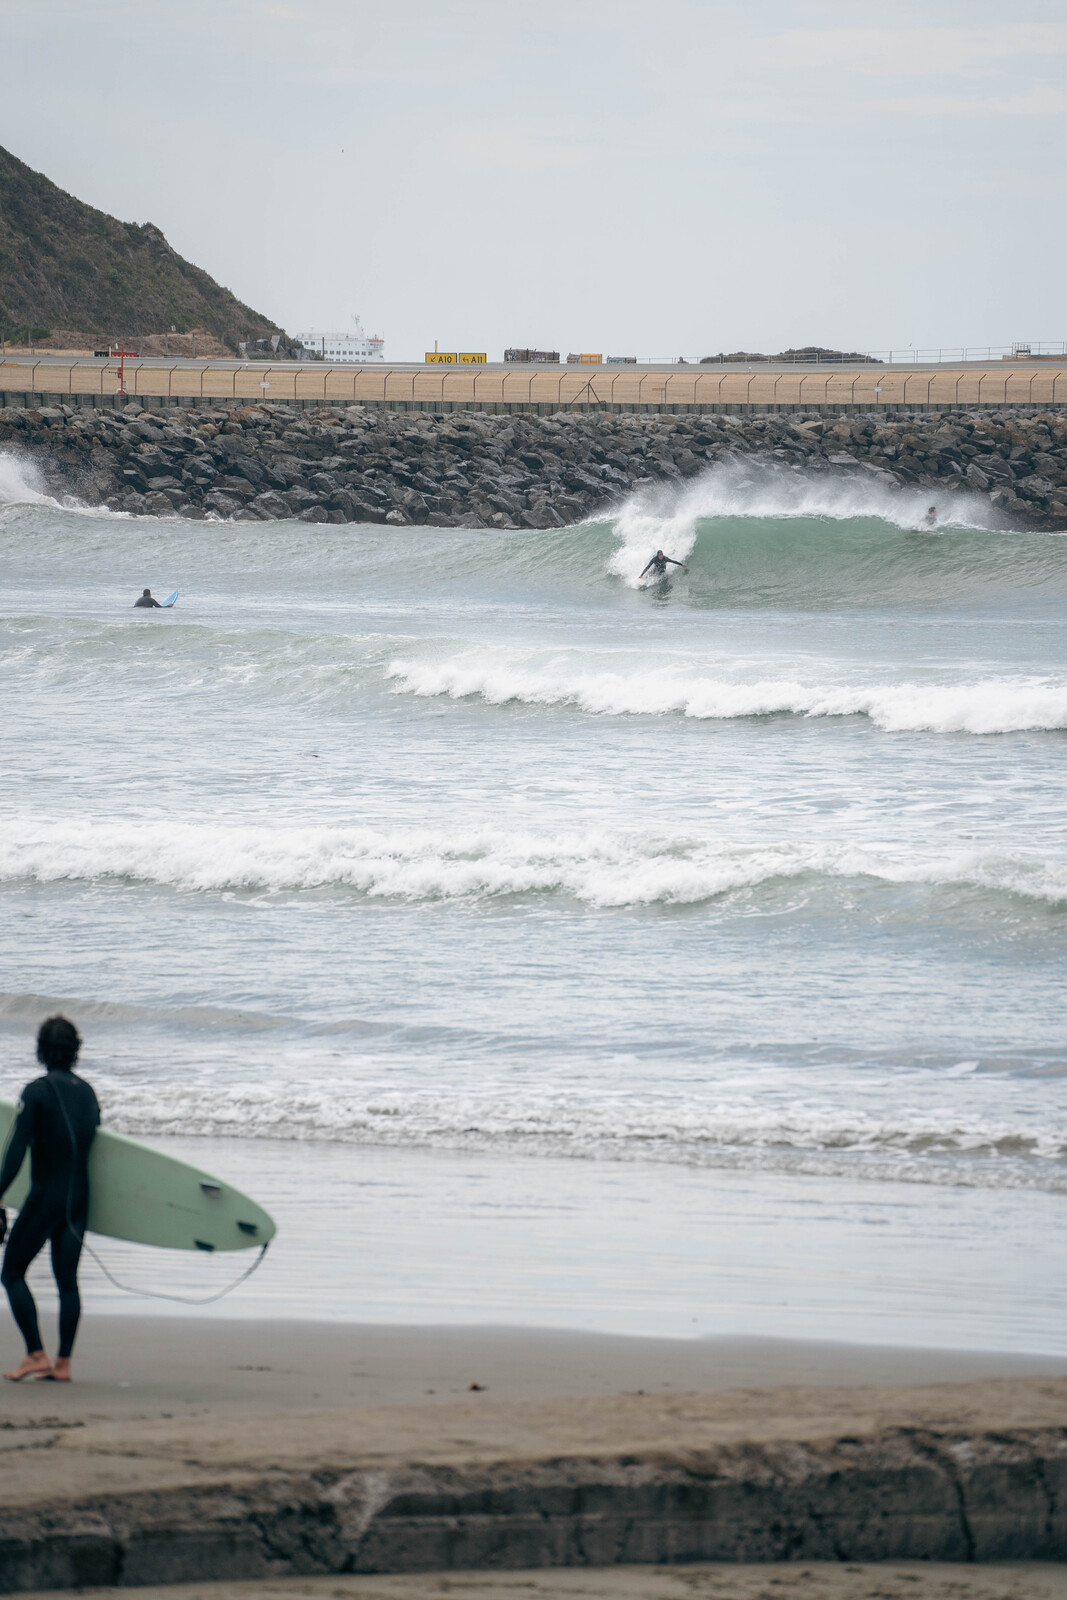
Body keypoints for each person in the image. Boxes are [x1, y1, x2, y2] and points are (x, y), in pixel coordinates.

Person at [0, 1017, 100, 1382]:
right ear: (75, 1050)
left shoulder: (36, 1091)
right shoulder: (89, 1093)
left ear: (42, 1048)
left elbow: (15, 1152)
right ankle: (63, 1364)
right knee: (67, 1281)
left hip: (45, 1197)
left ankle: (35, 1354)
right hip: (78, 1200)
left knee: (11, 1272)